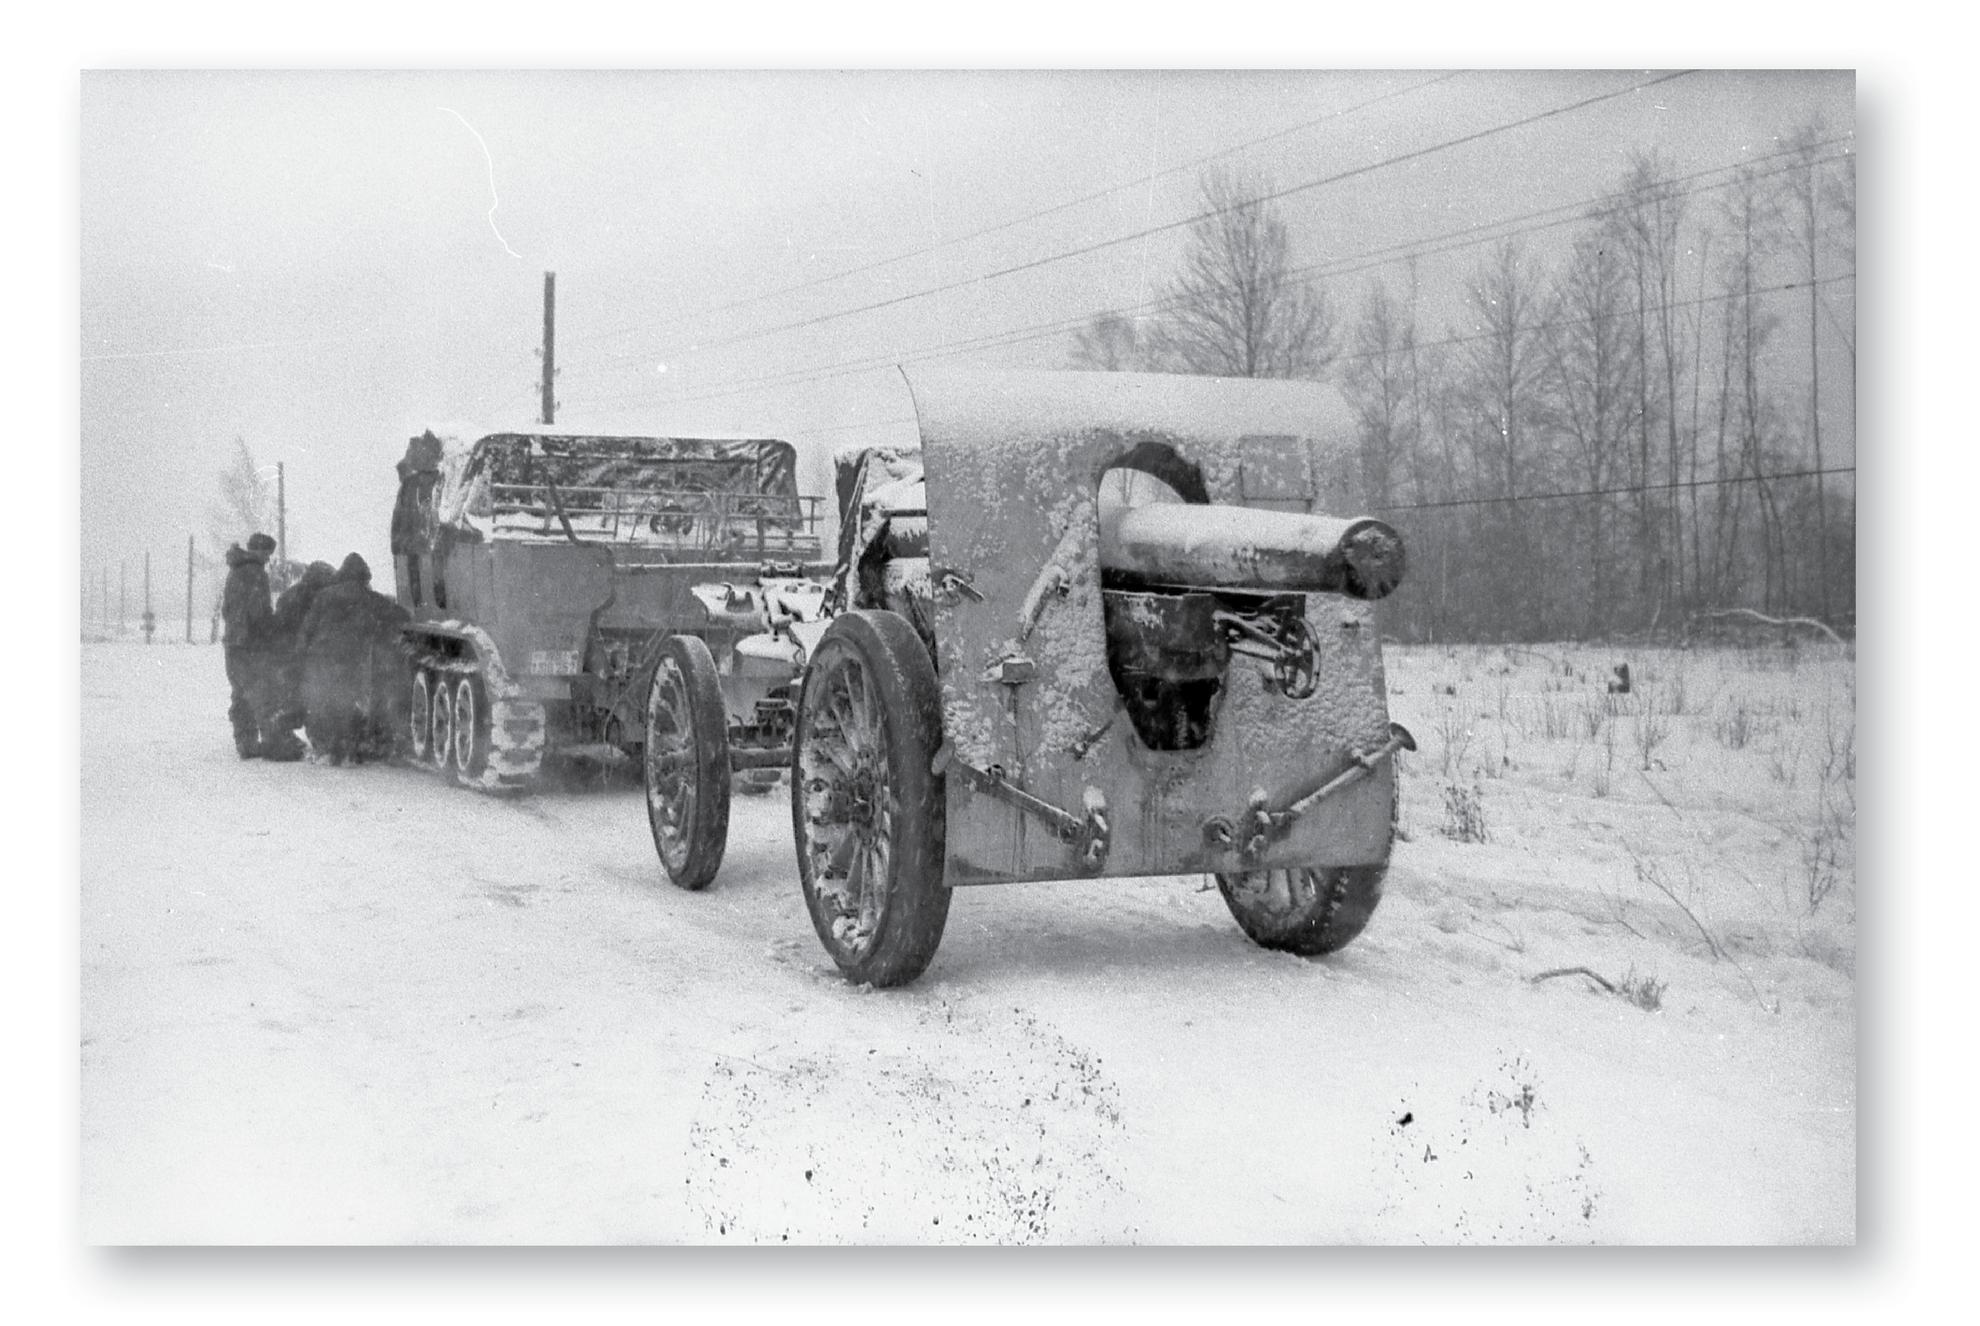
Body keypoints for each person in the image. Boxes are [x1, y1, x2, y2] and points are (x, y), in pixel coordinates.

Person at [302, 553, 410, 764]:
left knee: (324, 701)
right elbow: (400, 615)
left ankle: (327, 749)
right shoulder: (368, 598)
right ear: (364, 576)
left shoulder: (324, 595)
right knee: (347, 702)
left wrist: (304, 653)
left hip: (321, 656)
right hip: (350, 659)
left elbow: (308, 627)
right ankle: (346, 750)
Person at [220, 532, 301, 760]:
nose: (267, 558)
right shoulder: (255, 574)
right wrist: (276, 628)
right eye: (266, 553)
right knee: (264, 692)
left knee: (240, 694)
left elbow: (228, 610)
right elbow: (260, 614)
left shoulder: (234, 571)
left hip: (233, 644)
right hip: (251, 646)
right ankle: (276, 745)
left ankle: (246, 743)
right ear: (258, 551)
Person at [264, 561, 335, 740]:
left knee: (293, 699)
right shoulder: (324, 597)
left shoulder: (290, 595)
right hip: (312, 655)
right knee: (315, 698)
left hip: (290, 655)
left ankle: (280, 736)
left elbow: (278, 625)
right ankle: (316, 737)